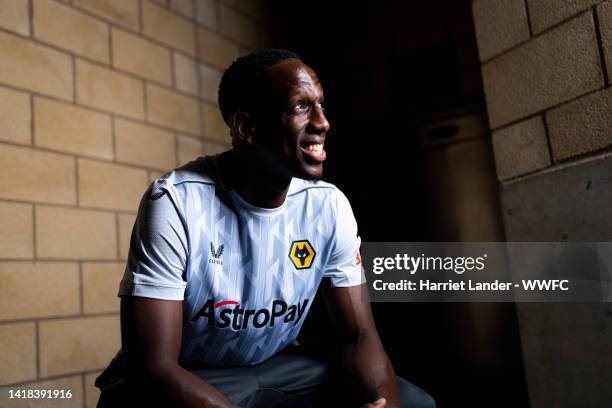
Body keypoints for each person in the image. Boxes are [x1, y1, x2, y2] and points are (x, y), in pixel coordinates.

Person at [95, 48, 435, 408]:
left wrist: (383, 402)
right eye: (301, 107)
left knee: (413, 402)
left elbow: (358, 336)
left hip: (277, 366)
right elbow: (153, 369)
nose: (322, 122)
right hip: (188, 375)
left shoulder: (327, 206)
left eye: (321, 105)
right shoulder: (176, 202)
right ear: (247, 127)